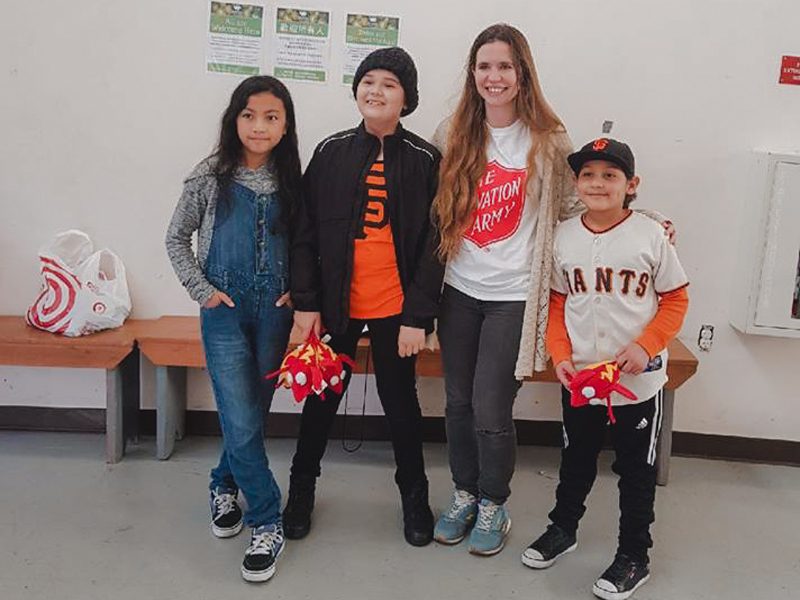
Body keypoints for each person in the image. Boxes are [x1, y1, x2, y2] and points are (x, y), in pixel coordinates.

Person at [430, 23, 673, 557]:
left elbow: (571, 207)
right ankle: (464, 493)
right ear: (472, 74)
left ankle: (494, 501)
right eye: (484, 66)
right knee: (456, 405)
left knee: (491, 409)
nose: (494, 77)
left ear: (522, 74)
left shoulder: (548, 138)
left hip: (515, 294)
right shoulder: (452, 133)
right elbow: (431, 210)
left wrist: (643, 218)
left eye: (504, 67)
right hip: (459, 291)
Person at [283, 47, 444, 547]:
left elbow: (436, 244)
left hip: (397, 309)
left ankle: (414, 497)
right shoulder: (331, 152)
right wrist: (307, 303)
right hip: (335, 306)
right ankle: (301, 491)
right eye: (368, 81)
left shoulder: (424, 160)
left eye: (389, 84)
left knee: (402, 407)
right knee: (320, 400)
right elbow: (304, 231)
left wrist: (419, 316)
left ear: (406, 98)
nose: (376, 91)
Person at [521, 138, 689, 600]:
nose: (598, 183)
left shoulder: (651, 236)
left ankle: (635, 555)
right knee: (575, 460)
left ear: (631, 185)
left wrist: (647, 344)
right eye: (588, 174)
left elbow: (676, 299)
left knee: (635, 471)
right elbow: (557, 303)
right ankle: (563, 529)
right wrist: (559, 355)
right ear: (576, 182)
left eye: (610, 175)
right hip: (583, 378)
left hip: (637, 379)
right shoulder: (565, 235)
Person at [165, 76, 301, 582]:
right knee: (241, 417)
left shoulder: (293, 181)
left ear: (286, 126)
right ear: (234, 119)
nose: (259, 126)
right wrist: (204, 293)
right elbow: (177, 239)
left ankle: (223, 483)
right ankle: (267, 518)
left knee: (252, 413)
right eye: (249, 115)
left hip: (275, 313)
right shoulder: (209, 176)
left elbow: (306, 245)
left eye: (272, 117)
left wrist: (299, 293)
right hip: (223, 311)